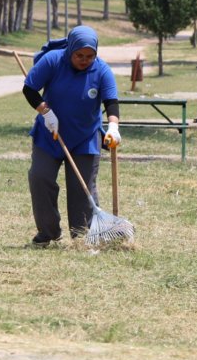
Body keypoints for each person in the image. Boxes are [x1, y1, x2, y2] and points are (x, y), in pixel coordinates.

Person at [21, 25, 122, 247]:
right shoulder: (53, 60)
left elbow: (111, 102)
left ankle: (82, 235)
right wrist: (45, 112)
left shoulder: (102, 71)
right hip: (50, 134)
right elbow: (29, 89)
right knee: (40, 177)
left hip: (85, 137)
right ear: (70, 50)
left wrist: (113, 127)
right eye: (79, 55)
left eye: (90, 56)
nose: (85, 60)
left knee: (82, 187)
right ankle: (47, 232)